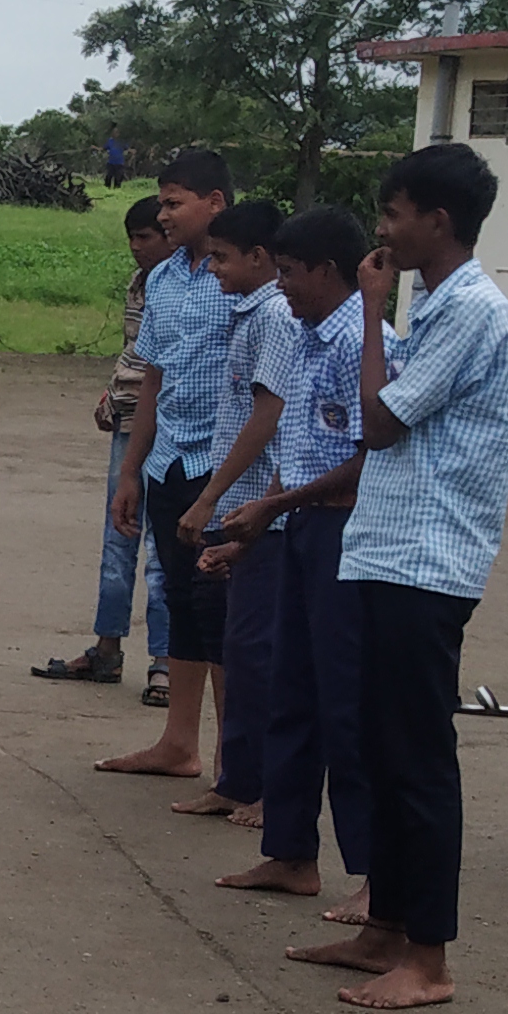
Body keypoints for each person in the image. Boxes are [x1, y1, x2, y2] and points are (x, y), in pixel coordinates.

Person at [286, 143, 508, 1011]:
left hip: (430, 558)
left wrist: (373, 312)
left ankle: (431, 959)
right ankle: (384, 930)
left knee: (418, 758)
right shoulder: (444, 305)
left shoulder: (469, 310)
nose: (381, 232)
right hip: (389, 548)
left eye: (392, 215)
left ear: (438, 222)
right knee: (380, 747)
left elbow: (380, 422)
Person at [199, 208, 371, 903]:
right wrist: (258, 520)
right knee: (292, 692)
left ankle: (374, 877)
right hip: (294, 523)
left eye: (292, 274)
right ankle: (291, 852)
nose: (285, 286)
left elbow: (367, 457)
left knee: (346, 705)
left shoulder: (364, 343)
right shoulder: (304, 337)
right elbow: (296, 447)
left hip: (345, 532)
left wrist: (273, 506)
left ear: (326, 271)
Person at [96, 148, 236, 774]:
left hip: (225, 464)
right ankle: (180, 742)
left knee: (223, 610)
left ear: (215, 204)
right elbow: (153, 376)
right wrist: (132, 469)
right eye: (163, 201)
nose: (164, 213)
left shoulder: (245, 277)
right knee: (179, 597)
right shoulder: (165, 278)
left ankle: (239, 762)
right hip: (170, 458)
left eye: (175, 202)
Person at [169, 199, 294, 824]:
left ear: (258, 257)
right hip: (241, 502)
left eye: (220, 258)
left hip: (259, 508)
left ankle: (268, 785)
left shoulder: (274, 316)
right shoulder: (249, 313)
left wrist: (212, 496)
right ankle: (237, 778)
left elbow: (268, 416)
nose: (212, 269)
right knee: (235, 647)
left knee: (258, 651)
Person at [33, 195, 172, 688]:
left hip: (170, 425)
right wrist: (113, 395)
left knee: (162, 548)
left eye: (146, 238)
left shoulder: (187, 287)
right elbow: (135, 355)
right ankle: (108, 645)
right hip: (129, 420)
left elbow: (163, 366)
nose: (137, 248)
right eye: (132, 239)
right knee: (119, 535)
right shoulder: (141, 284)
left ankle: (165, 660)